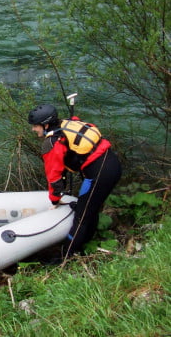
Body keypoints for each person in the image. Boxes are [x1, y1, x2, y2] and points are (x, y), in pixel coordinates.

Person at [28, 104, 122, 259]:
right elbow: (76, 123)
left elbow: (54, 177)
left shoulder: (51, 143)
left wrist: (55, 200)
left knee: (81, 216)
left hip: (100, 174)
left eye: (35, 126)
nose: (33, 130)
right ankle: (86, 239)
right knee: (90, 207)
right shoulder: (66, 123)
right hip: (110, 163)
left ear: (45, 125)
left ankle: (67, 256)